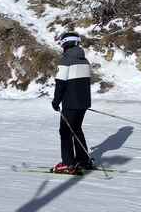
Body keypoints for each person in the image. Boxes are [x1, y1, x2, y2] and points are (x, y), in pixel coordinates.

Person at [51, 32, 94, 174]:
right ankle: (84, 160)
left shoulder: (66, 60)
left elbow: (60, 84)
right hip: (83, 103)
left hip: (70, 104)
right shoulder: (85, 61)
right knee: (76, 129)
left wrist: (56, 102)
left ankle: (68, 163)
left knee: (65, 132)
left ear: (65, 44)